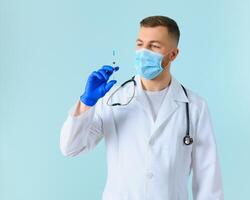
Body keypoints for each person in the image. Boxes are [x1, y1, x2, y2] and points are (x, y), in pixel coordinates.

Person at [60, 15, 224, 200]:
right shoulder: (113, 99)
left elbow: (208, 179)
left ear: (173, 54)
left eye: (154, 46)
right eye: (140, 44)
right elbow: (71, 148)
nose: (143, 52)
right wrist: (86, 103)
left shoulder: (194, 107)